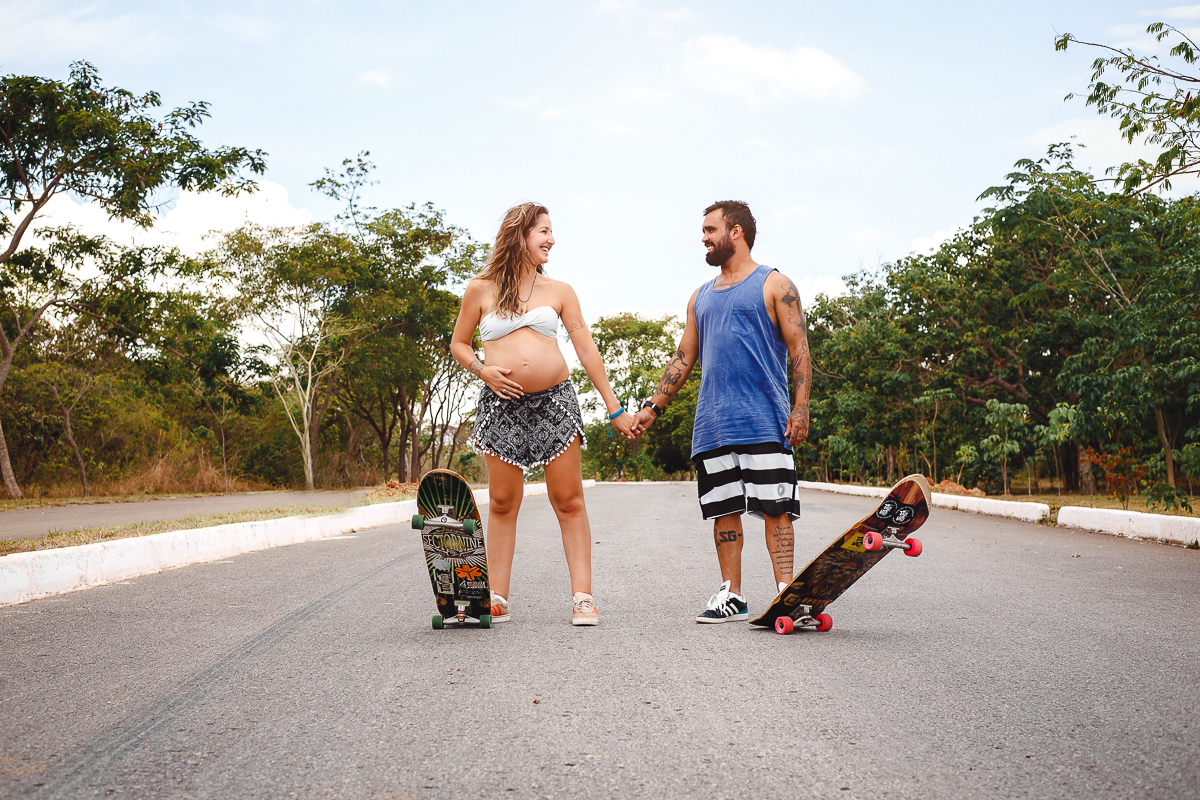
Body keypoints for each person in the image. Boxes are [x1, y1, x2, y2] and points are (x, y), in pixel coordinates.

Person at [450, 202, 636, 626]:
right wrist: (484, 371)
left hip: (555, 402)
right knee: (500, 502)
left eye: (552, 231)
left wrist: (615, 410)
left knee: (568, 501)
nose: (551, 239)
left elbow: (586, 350)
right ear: (519, 234)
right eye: (543, 231)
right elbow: (460, 343)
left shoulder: (560, 291)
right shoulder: (479, 289)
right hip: (501, 405)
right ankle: (496, 597)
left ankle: (583, 598)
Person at [632, 200, 811, 623]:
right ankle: (732, 593)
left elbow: (799, 347)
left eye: (710, 229)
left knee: (776, 506)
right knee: (723, 511)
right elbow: (683, 356)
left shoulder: (775, 284)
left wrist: (801, 408)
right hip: (713, 424)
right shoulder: (701, 296)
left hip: (765, 418)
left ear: (736, 232)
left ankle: (786, 591)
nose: (704, 237)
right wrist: (651, 408)